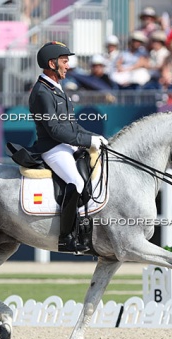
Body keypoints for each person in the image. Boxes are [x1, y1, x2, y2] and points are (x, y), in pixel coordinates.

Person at [29, 41, 108, 252]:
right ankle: (66, 236)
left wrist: (95, 137)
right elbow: (55, 130)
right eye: (64, 61)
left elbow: (72, 126)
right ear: (51, 63)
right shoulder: (42, 92)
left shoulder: (56, 88)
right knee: (76, 182)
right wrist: (87, 141)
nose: (68, 65)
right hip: (52, 147)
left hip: (65, 144)